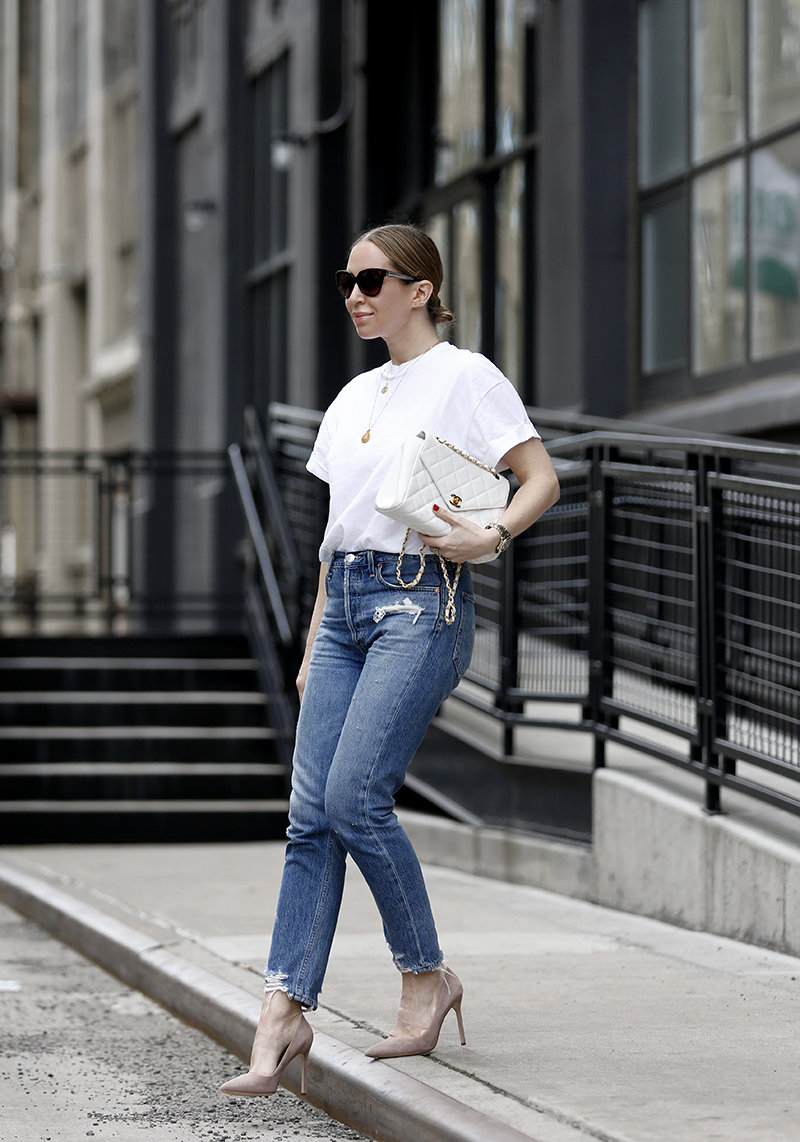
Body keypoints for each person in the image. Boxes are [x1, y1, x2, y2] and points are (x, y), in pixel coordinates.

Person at [221, 223, 560, 1097]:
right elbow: (336, 540)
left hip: (423, 599)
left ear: (421, 287)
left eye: (373, 279)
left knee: (352, 797)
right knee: (309, 813)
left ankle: (426, 977)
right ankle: (283, 1007)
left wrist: (493, 532)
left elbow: (540, 477)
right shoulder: (351, 399)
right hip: (346, 611)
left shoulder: (468, 376)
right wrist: (311, 639)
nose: (356, 295)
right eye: (346, 281)